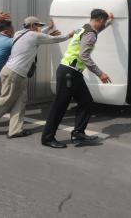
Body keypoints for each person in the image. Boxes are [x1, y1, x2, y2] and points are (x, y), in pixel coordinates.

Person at [0, 17, 73, 137]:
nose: (39, 28)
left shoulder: (19, 33)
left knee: (20, 101)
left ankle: (15, 130)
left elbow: (37, 35)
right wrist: (70, 34)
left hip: (12, 72)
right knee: (5, 101)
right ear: (31, 25)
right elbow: (56, 39)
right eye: (38, 25)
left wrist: (48, 29)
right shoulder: (34, 36)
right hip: (15, 73)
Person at [41, 9, 114, 148]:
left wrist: (110, 21)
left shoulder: (85, 28)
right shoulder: (90, 34)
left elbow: (98, 30)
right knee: (59, 107)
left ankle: (78, 134)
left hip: (71, 72)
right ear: (99, 20)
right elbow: (84, 56)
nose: (103, 24)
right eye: (103, 21)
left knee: (86, 102)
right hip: (69, 73)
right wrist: (100, 73)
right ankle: (47, 138)